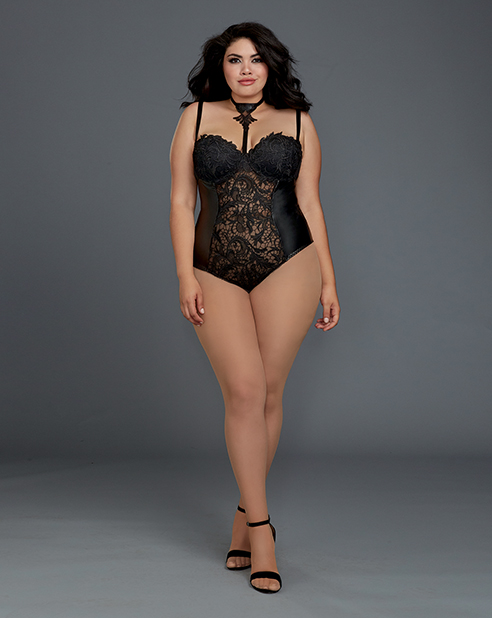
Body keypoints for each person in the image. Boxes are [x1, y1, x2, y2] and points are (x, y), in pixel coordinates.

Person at [169, 22, 340, 594]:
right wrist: (183, 274)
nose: (246, 70)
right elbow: (180, 201)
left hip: (290, 263)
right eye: (235, 60)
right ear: (220, 67)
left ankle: (246, 517)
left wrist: (329, 281)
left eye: (256, 60)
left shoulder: (299, 121)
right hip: (212, 265)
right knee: (243, 390)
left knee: (268, 392)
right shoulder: (194, 118)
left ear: (271, 66)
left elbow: (311, 203)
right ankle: (262, 528)